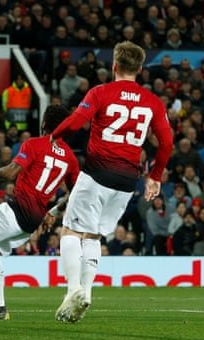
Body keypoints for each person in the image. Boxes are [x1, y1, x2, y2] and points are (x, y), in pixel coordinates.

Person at [50, 41, 173, 323]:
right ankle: (88, 291)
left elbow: (75, 122)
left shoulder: (100, 92)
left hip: (96, 173)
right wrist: (154, 176)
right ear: (140, 69)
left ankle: (72, 291)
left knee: (70, 231)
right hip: (127, 181)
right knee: (93, 235)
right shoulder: (152, 101)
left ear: (114, 65)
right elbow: (166, 143)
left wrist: (52, 138)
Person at [0, 105, 80, 320]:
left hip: (17, 210)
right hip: (33, 221)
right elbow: (76, 194)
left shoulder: (34, 144)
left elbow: (10, 173)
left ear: (44, 124)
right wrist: (54, 211)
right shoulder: (70, 158)